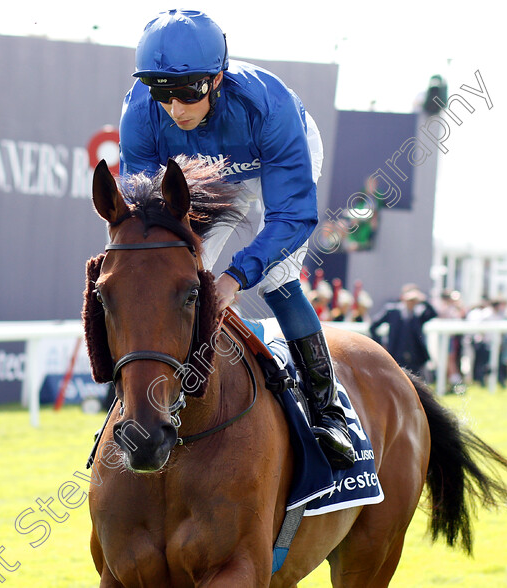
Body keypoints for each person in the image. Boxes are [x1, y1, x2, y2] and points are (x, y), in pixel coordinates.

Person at [118, 9, 353, 469]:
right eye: (161, 92)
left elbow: (294, 216)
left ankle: (329, 412)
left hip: (272, 155)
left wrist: (235, 277)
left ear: (218, 78)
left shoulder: (271, 107)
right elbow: (144, 223)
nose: (176, 109)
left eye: (188, 92)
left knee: (274, 280)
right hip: (209, 168)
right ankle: (150, 399)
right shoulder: (141, 116)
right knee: (178, 274)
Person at [369, 284, 438, 378]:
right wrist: (381, 345)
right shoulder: (392, 311)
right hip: (396, 354)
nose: (411, 302)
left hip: (415, 357)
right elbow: (373, 326)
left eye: (414, 300)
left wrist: (425, 300)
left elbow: (433, 314)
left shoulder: (419, 313)